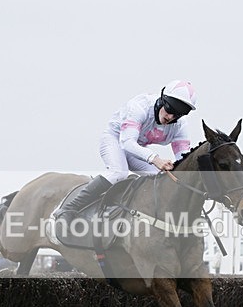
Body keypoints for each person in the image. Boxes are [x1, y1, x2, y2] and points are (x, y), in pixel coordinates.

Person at [55, 80, 198, 221]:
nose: (170, 117)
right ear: (162, 100)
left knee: (160, 179)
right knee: (119, 173)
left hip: (137, 150)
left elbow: (183, 158)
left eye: (177, 115)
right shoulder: (140, 107)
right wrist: (156, 159)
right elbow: (127, 142)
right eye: (170, 110)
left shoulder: (179, 126)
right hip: (115, 140)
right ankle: (68, 208)